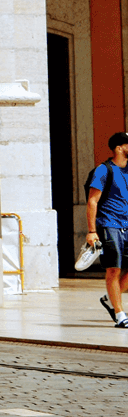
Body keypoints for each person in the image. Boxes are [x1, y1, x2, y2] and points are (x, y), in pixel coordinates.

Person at [86, 131, 128, 327]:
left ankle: (110, 297)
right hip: (109, 224)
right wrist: (92, 231)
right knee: (114, 269)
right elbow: (92, 201)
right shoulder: (103, 170)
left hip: (127, 225)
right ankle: (120, 314)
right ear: (119, 148)